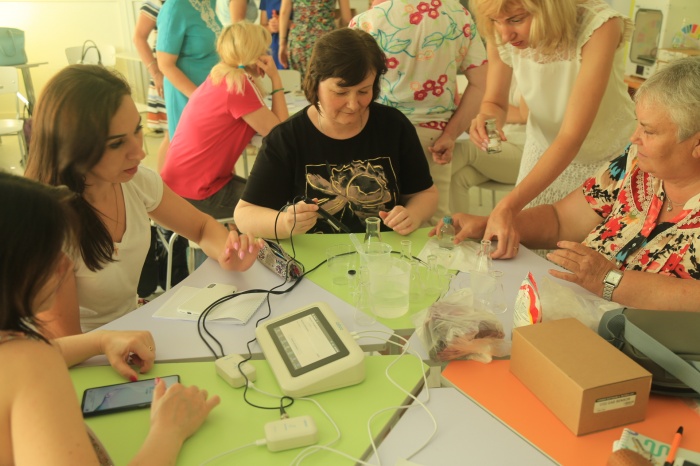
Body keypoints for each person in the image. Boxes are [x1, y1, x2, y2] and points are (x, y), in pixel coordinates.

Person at [431, 57, 700, 312]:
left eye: (649, 131)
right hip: (575, 315)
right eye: (638, 125)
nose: (634, 137)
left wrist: (609, 280)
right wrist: (490, 226)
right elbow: (560, 221)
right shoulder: (636, 165)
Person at [24, 65, 263, 338]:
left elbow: (201, 227)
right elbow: (66, 346)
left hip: (129, 330)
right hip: (87, 350)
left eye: (137, 129)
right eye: (117, 143)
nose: (139, 152)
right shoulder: (48, 228)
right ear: (72, 147)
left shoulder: (135, 182)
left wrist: (227, 253)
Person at [0, 172, 220, 464]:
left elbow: (46, 351)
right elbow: (32, 360)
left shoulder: (19, 350)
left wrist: (100, 341)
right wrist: (169, 430)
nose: (66, 264)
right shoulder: (31, 364)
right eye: (52, 252)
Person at [468, 0, 636, 257]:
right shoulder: (502, 28)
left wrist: (508, 205)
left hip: (606, 157)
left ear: (548, 7)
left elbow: (571, 137)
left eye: (516, 19)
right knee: (527, 248)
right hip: (543, 146)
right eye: (495, 22)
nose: (505, 34)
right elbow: (495, 102)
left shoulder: (600, 26)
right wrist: (486, 119)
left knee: (584, 255)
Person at [234, 28, 438, 238]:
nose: (353, 104)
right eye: (341, 92)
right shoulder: (287, 138)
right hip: (313, 255)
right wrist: (285, 222)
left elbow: (425, 193)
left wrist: (413, 214)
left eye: (364, 91)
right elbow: (244, 215)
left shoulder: (394, 126)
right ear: (316, 83)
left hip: (383, 252)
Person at [350, 0, 488, 224]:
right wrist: (450, 134)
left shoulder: (367, 21)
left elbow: (350, 89)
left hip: (377, 132)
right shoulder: (458, 14)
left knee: (375, 220)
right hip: (434, 136)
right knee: (433, 224)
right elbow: (480, 83)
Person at [161, 22, 289, 220]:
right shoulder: (240, 85)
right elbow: (282, 135)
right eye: (264, 50)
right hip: (197, 192)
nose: (268, 55)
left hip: (179, 184)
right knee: (282, 207)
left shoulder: (219, 75)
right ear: (253, 55)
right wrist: (276, 79)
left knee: (270, 195)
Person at [450, 83, 527, 213]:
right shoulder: (501, 74)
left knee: (464, 149)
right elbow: (490, 109)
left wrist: (477, 107)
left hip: (525, 150)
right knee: (458, 177)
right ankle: (450, 225)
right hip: (501, 146)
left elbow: (525, 115)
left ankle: (419, 192)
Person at [156, 0, 221, 138]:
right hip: (188, 95)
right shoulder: (174, 7)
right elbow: (165, 64)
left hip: (211, 92)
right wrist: (200, 98)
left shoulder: (209, 2)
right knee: (192, 145)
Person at [133, 0, 170, 173]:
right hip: (167, 77)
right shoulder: (155, 2)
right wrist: (156, 73)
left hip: (189, 76)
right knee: (173, 135)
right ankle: (162, 185)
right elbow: (138, 38)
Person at [278, 0, 352, 80]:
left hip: (299, 41)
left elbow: (284, 13)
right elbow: (346, 19)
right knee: (324, 79)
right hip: (326, 40)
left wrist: (282, 44)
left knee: (299, 81)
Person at [259, 0, 283, 69]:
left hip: (294, 48)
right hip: (273, 49)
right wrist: (271, 27)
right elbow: (262, 27)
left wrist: (284, 24)